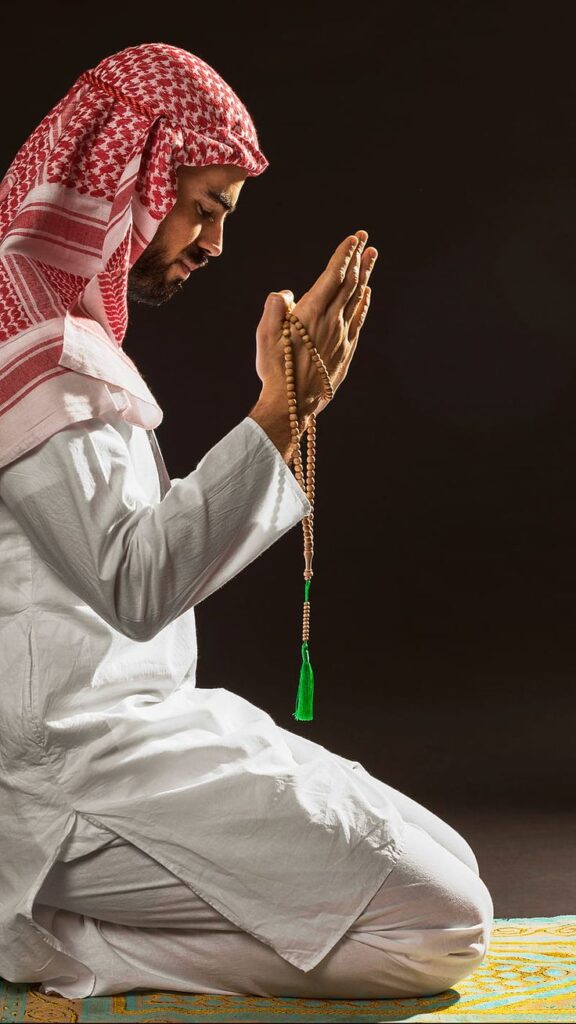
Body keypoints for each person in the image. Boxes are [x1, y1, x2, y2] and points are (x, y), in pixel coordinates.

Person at [0, 42, 493, 999]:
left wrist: (288, 412)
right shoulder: (33, 339)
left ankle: (58, 931)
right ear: (136, 179)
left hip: (144, 732)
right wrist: (280, 412)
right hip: (66, 769)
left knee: (451, 860)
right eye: (205, 207)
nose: (214, 242)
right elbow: (136, 586)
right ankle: (50, 948)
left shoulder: (56, 328)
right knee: (440, 930)